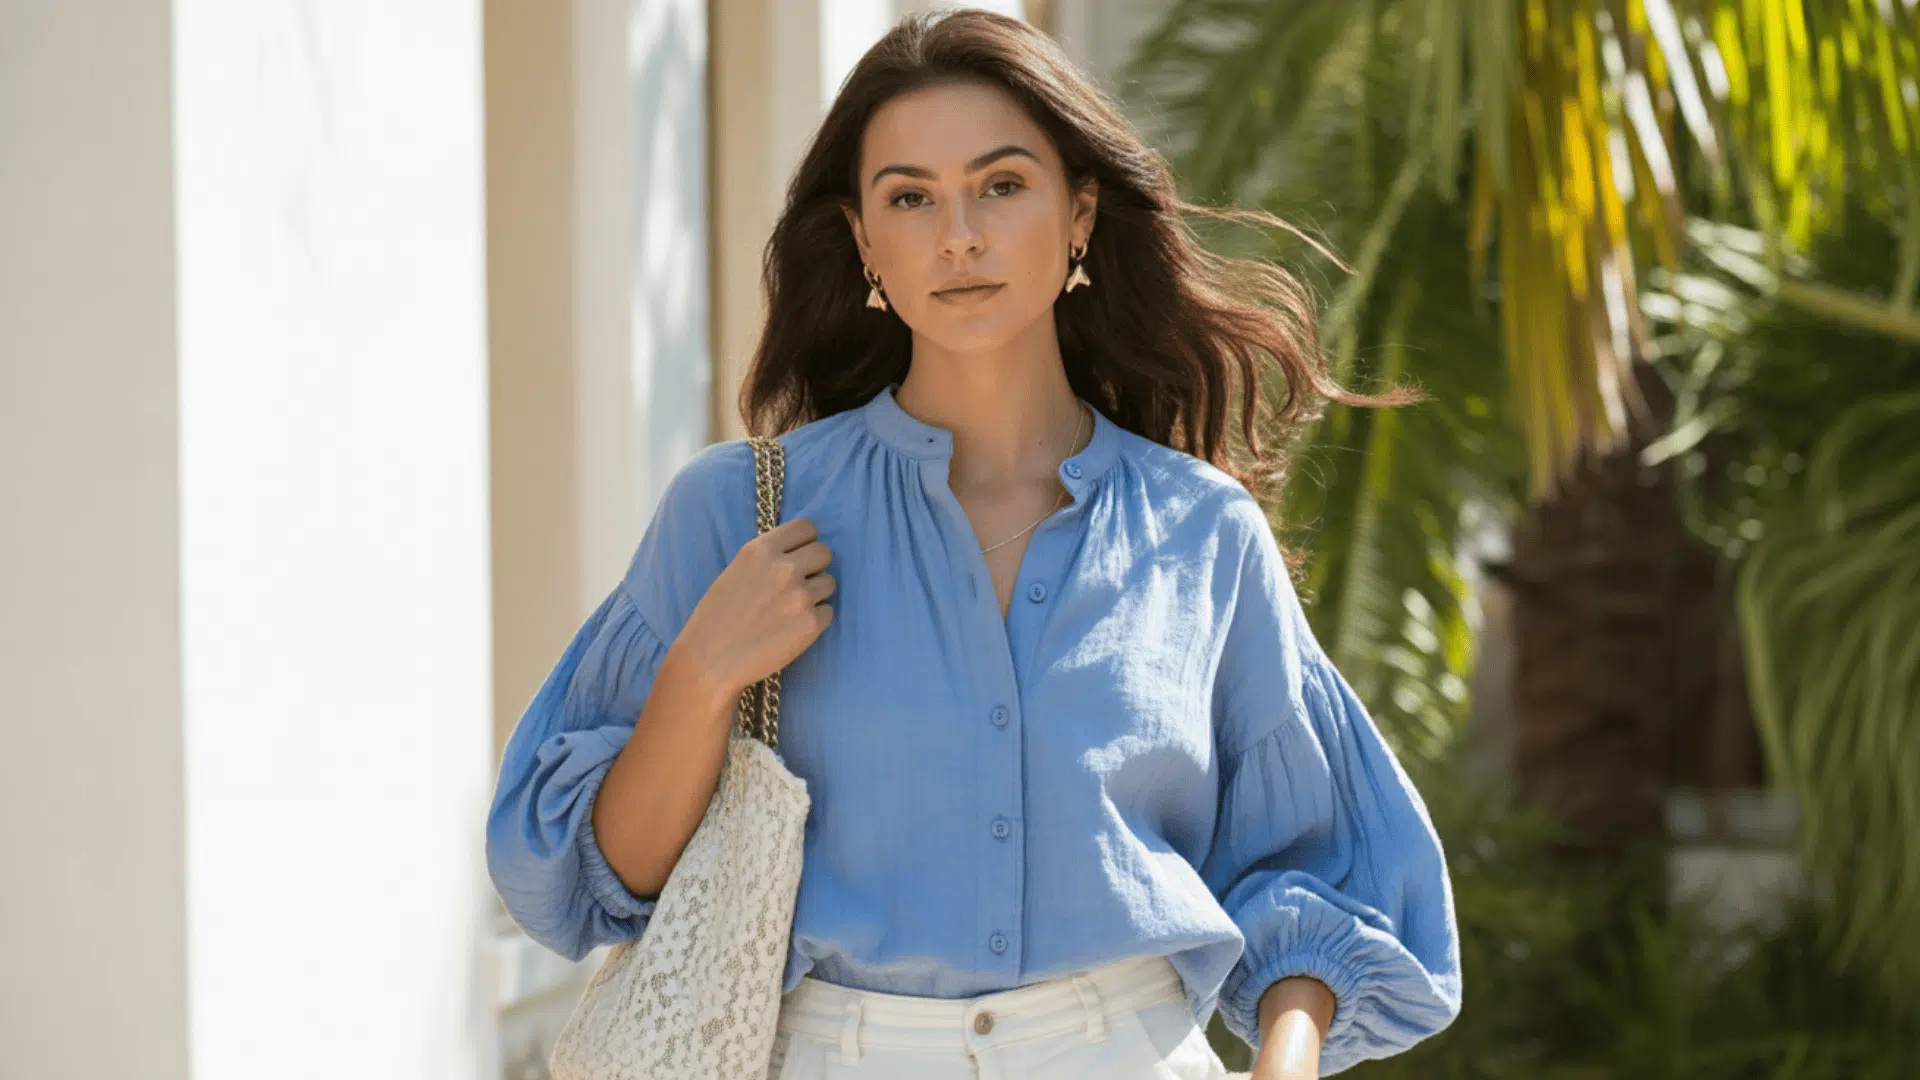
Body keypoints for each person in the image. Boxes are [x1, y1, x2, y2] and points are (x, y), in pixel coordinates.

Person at [486, 9, 1460, 1078]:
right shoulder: (739, 512)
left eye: (1001, 185)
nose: (960, 235)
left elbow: (1307, 871)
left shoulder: (1201, 532)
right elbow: (600, 879)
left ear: (1079, 215)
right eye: (911, 198)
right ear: (865, 242)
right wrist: (702, 673)